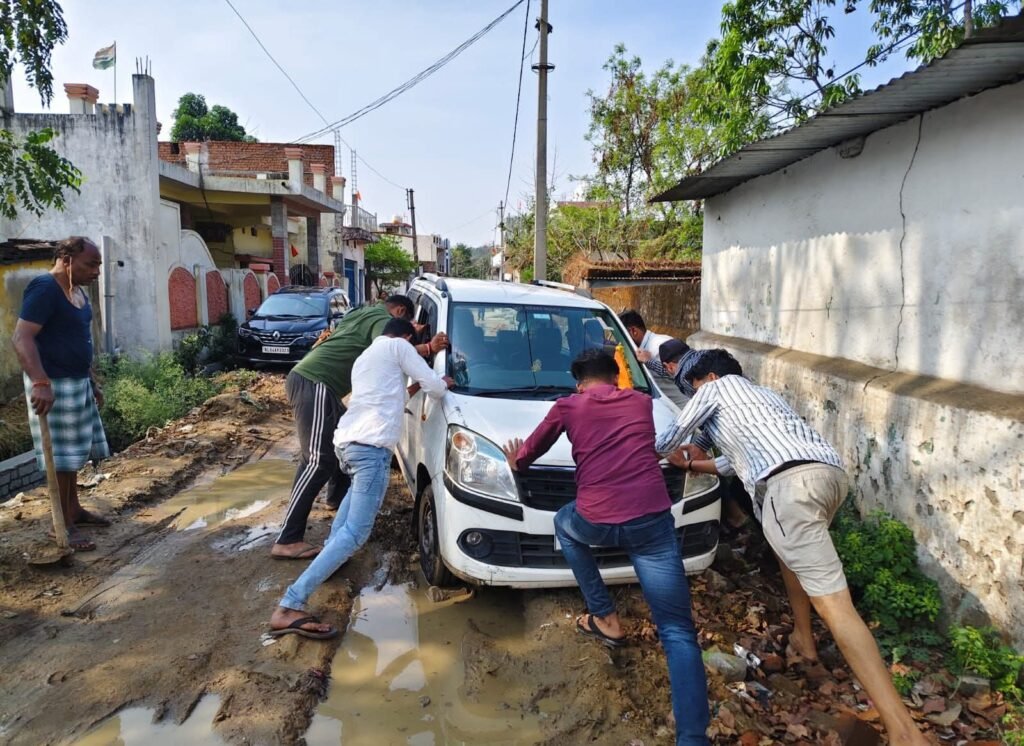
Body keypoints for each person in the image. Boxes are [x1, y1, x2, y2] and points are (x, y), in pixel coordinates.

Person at [655, 349, 928, 746]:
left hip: (788, 489)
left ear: (708, 378)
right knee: (788, 553)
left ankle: (906, 732)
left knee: (836, 605)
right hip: (827, 477)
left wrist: (674, 453)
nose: (696, 395)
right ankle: (805, 640)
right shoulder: (764, 397)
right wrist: (696, 465)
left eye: (694, 387)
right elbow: (732, 464)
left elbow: (668, 438)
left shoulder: (715, 389)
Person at [501, 349, 710, 746]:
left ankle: (604, 616)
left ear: (578, 383)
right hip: (650, 523)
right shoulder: (641, 401)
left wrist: (516, 461)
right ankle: (693, 738)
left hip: (594, 521)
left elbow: (527, 456)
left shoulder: (568, 406)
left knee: (565, 523)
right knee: (678, 631)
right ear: (616, 377)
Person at [269, 318, 454, 638]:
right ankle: (289, 604)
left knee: (346, 525)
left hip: (348, 445)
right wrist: (445, 382)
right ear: (407, 337)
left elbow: (393, 396)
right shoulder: (400, 347)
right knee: (356, 534)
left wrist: (415, 386)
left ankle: (330, 557)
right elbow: (434, 386)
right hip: (371, 452)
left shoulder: (367, 357)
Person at [272, 294, 447, 560]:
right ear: (399, 312)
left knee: (340, 440)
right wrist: (429, 348)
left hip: (318, 384)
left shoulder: (359, 313)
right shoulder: (382, 319)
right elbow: (390, 346)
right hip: (316, 381)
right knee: (316, 461)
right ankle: (288, 538)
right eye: (408, 327)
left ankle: (335, 499)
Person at [11, 237, 111, 552]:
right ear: (67, 260)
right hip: (52, 386)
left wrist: (91, 381)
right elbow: (22, 337)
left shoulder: (78, 293)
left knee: (71, 458)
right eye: (91, 264)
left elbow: (80, 340)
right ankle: (62, 526)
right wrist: (40, 381)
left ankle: (74, 509)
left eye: (99, 265)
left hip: (77, 383)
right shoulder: (45, 289)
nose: (97, 272)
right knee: (60, 459)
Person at [619, 310, 673, 374]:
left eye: (621, 336)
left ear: (633, 331)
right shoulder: (640, 349)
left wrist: (650, 361)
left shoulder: (662, 345)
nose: (620, 342)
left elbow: (678, 374)